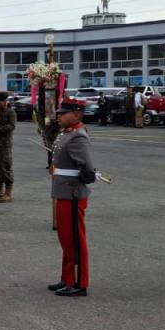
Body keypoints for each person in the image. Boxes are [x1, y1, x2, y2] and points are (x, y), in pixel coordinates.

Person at [48, 98, 96, 298]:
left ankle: (78, 282)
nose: (59, 116)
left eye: (63, 113)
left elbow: (87, 170)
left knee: (75, 239)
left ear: (77, 113)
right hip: (64, 192)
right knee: (66, 238)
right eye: (59, 113)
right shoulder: (67, 133)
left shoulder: (78, 136)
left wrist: (81, 176)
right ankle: (67, 277)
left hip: (72, 193)